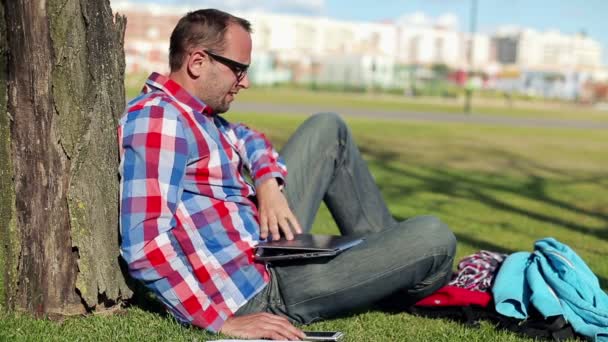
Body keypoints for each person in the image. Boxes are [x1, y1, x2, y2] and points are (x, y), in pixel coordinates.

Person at [118, 9, 456, 341]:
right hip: (261, 291)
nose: (245, 82)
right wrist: (220, 321)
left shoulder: (200, 115)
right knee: (434, 237)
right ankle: (389, 274)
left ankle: (382, 263)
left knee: (327, 127)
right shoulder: (160, 122)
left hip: (267, 246)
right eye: (238, 69)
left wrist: (267, 183)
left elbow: (250, 138)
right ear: (197, 62)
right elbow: (146, 242)